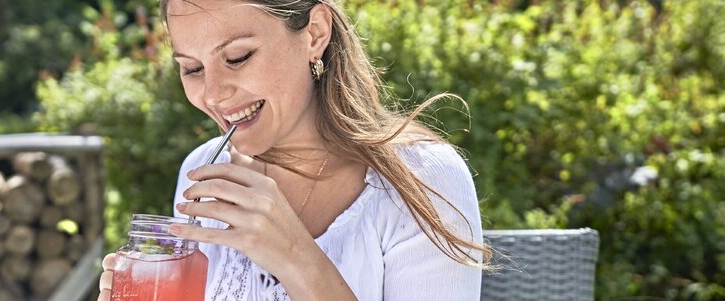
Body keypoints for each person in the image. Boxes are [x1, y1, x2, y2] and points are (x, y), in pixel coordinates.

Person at [98, 0, 491, 300]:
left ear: (315, 34)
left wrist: (296, 257)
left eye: (237, 57)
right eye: (192, 69)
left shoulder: (423, 179)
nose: (213, 94)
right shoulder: (202, 169)